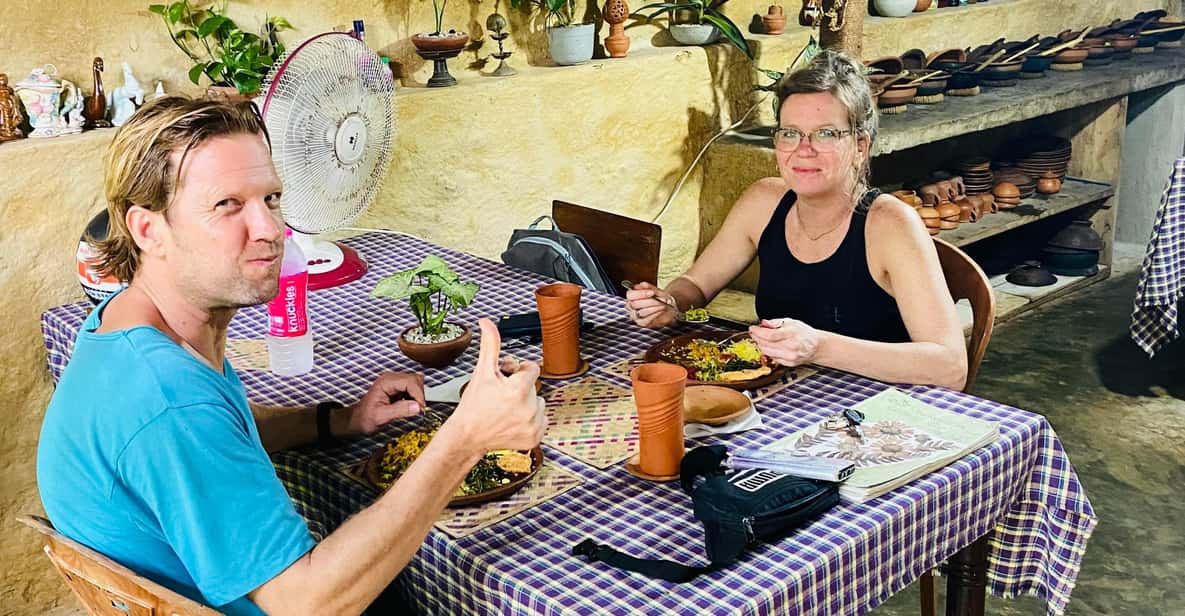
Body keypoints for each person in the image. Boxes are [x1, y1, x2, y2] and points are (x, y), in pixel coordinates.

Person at [36, 97, 546, 615]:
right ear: (148, 230)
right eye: (227, 205)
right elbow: (306, 604)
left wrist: (340, 420)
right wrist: (465, 440)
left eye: (271, 198)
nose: (270, 229)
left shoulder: (127, 321)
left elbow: (221, 430)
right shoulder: (169, 403)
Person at [626, 50, 967, 391]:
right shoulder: (763, 203)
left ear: (860, 145)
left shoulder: (891, 225)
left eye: (825, 134)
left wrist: (819, 347)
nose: (803, 150)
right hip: (782, 402)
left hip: (877, 416)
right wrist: (669, 303)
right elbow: (696, 286)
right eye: (790, 133)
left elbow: (950, 368)